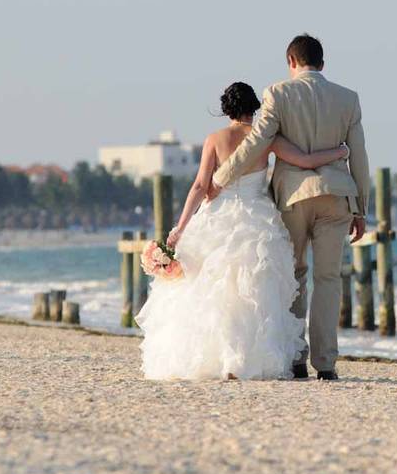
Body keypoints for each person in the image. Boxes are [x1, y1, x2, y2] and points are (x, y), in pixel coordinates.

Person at [136, 81, 350, 380]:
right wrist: (339, 152)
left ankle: (215, 358)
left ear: (226, 110)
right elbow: (305, 160)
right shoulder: (266, 138)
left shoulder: (215, 138)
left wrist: (180, 227)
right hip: (256, 216)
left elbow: (200, 186)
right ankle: (249, 359)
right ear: (255, 108)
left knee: (211, 286)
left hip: (217, 215)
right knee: (254, 290)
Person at [210, 34, 371, 381]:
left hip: (293, 196)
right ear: (322, 64)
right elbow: (359, 155)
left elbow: (258, 140)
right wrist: (361, 209)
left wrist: (222, 176)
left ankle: (297, 357)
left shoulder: (277, 94)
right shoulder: (348, 99)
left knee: (295, 274)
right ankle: (326, 363)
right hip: (337, 196)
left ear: (291, 62)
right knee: (328, 279)